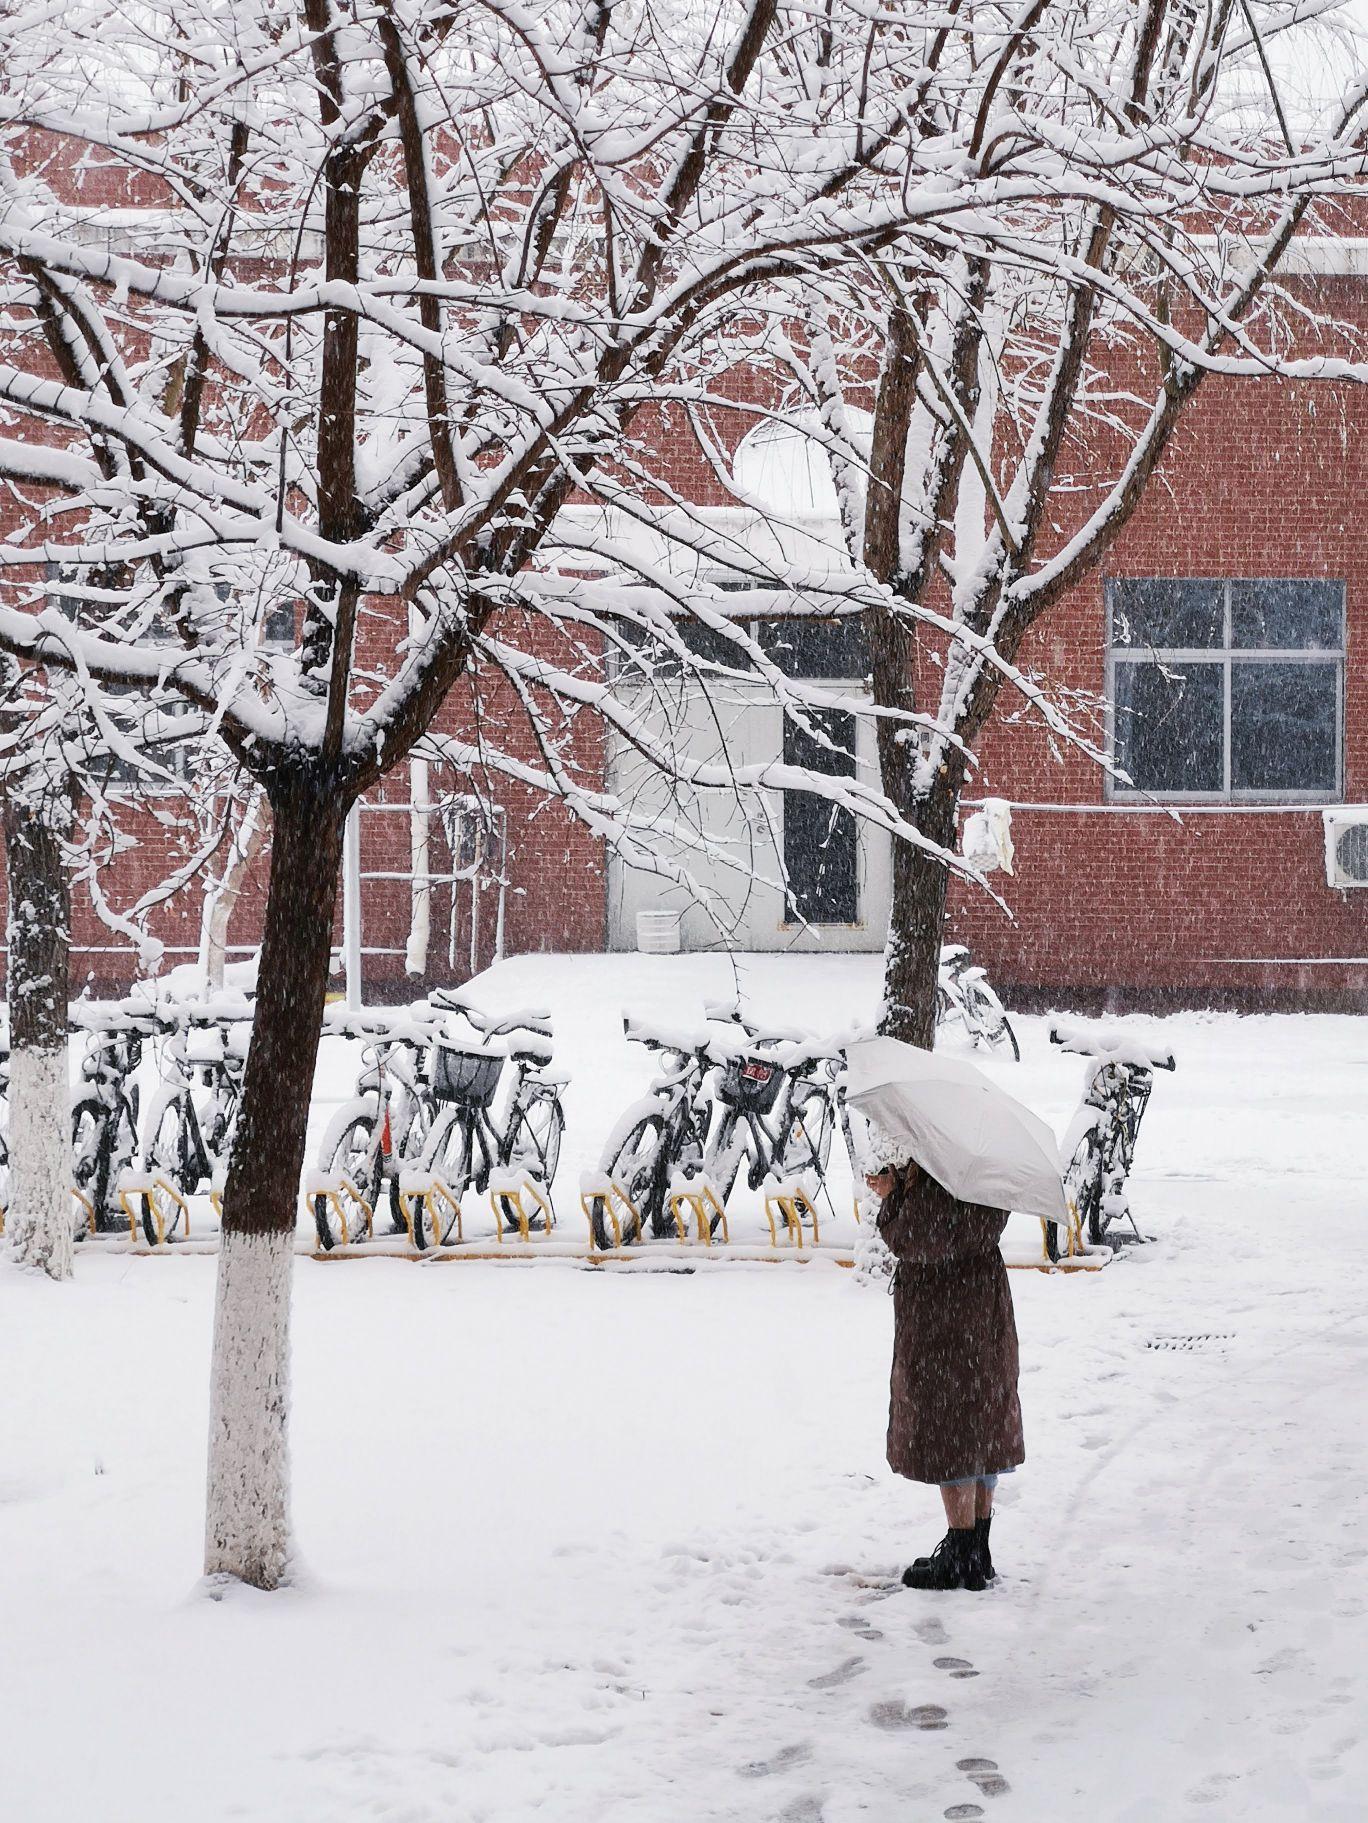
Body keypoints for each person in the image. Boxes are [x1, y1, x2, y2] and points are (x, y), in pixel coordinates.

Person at [866, 1156, 1024, 1592]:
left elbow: (913, 1237)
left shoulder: (940, 1166)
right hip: (983, 1300)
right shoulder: (986, 1161)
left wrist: (894, 1195)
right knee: (981, 1418)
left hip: (944, 1310)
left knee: (950, 1422)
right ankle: (977, 1549)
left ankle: (959, 1551)